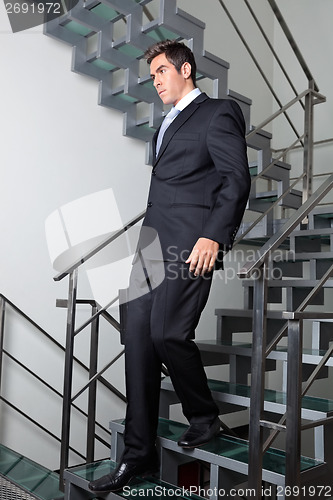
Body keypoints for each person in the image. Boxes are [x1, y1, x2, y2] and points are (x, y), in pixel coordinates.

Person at [89, 39, 251, 493]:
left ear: (186, 69)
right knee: (137, 334)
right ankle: (137, 454)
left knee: (167, 333)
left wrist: (214, 235)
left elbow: (236, 179)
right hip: (152, 243)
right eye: (153, 74)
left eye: (161, 71)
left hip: (192, 242)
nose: (155, 81)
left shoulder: (218, 113)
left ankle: (203, 416)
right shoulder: (167, 124)